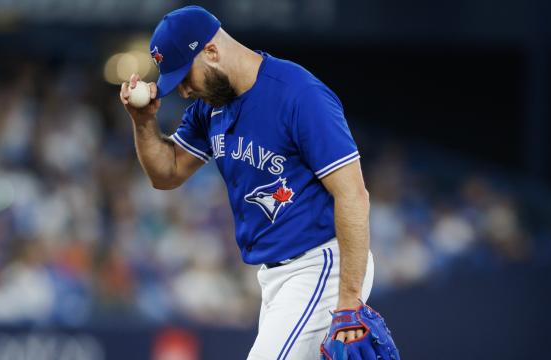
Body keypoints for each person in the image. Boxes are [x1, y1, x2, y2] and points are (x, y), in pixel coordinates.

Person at [119, 6, 399, 360]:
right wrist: (143, 122)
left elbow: (354, 195)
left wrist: (348, 301)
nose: (186, 92)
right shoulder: (211, 108)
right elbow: (167, 174)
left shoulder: (298, 93)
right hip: (275, 277)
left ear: (212, 51)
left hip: (322, 263)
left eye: (186, 77)